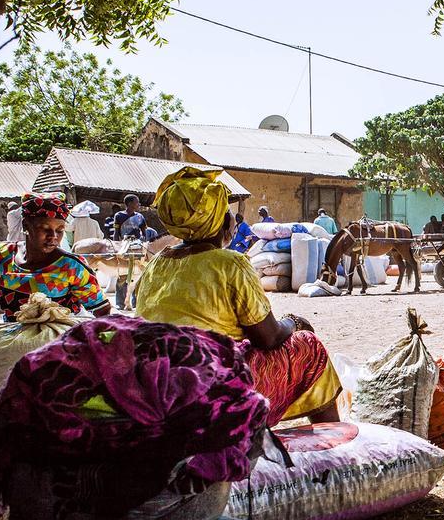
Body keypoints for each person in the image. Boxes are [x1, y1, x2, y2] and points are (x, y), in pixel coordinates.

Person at [133, 167, 342, 425]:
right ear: (217, 221)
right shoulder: (229, 263)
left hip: (163, 385)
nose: (233, 220)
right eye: (227, 214)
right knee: (309, 346)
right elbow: (268, 337)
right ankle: (334, 439)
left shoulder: (157, 264)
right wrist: (294, 322)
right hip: (212, 389)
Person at [0, 194, 111, 332]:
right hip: (11, 337)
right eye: (45, 228)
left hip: (55, 344)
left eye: (60, 230)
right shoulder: (2, 255)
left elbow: (102, 310)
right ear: (26, 226)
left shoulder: (71, 266)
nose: (53, 236)